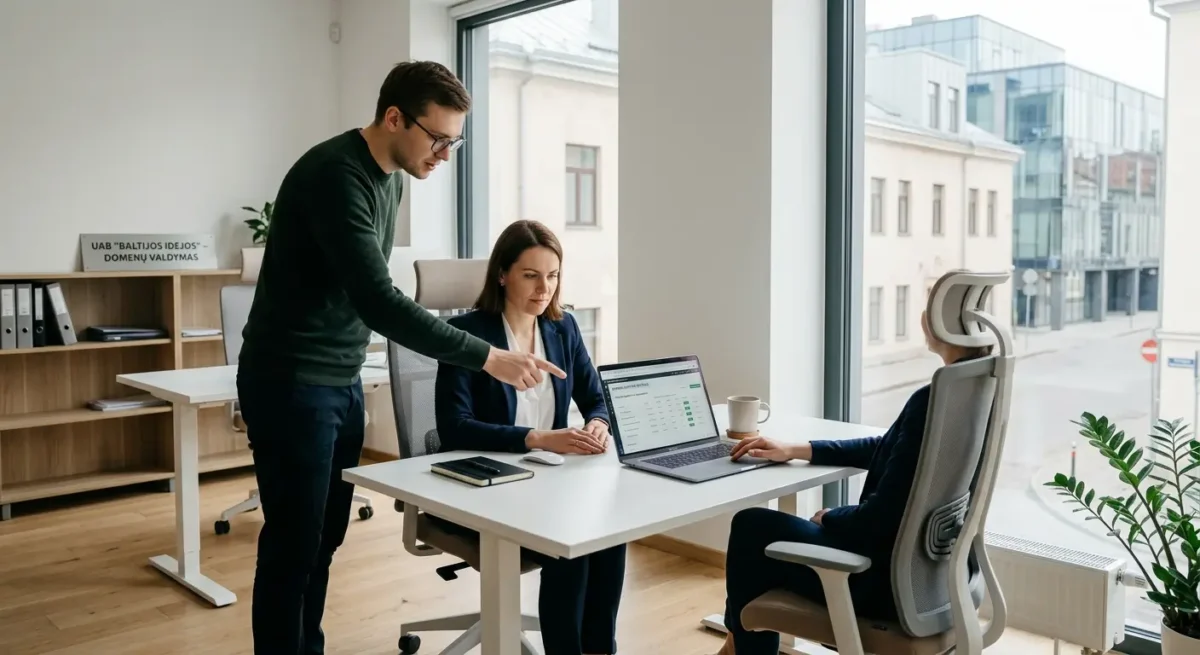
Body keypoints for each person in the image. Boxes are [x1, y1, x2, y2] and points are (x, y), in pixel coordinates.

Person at [236, 62, 565, 655]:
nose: (444, 154)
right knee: (294, 544)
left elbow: (364, 297)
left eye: (453, 142)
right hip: (290, 381)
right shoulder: (336, 175)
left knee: (325, 537)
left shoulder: (389, 177)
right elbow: (378, 300)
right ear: (394, 118)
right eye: (438, 138)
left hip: (337, 381)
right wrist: (485, 357)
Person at [715, 309, 992, 655]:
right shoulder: (972, 392)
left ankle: (737, 645)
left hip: (880, 583)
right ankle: (735, 642)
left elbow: (881, 518)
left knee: (751, 526)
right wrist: (798, 449)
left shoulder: (932, 399)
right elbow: (889, 449)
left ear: (942, 320)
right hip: (934, 581)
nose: (921, 314)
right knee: (761, 533)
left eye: (929, 304)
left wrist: (832, 516)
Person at [433, 219, 626, 655]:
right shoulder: (469, 336)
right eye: (531, 275)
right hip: (485, 483)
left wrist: (598, 423)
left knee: (611, 532)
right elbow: (454, 427)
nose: (544, 289)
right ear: (502, 274)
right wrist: (538, 438)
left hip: (550, 478)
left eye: (553, 276)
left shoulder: (563, 328)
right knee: (571, 535)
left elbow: (596, 398)